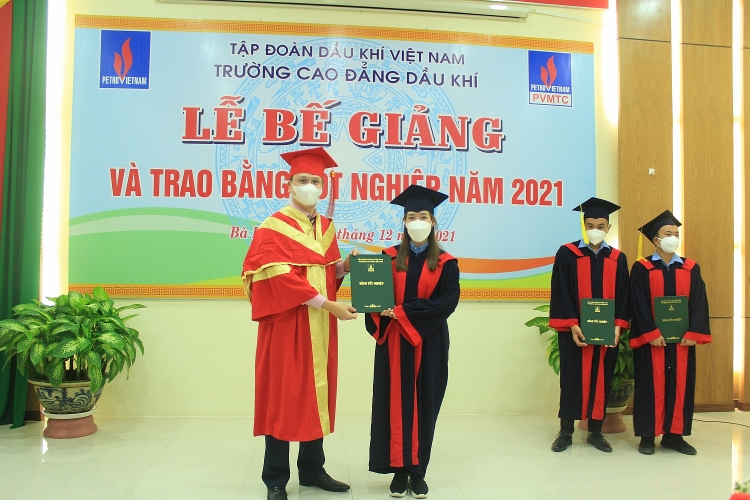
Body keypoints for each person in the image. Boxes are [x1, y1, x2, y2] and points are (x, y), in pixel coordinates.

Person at [241, 147, 358, 500]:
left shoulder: (326, 228)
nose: (309, 187)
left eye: (315, 181)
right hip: (286, 325)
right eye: (303, 180)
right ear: (288, 184)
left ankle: (312, 469)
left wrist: (345, 267)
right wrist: (328, 304)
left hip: (320, 326)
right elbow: (278, 278)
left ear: (323, 187)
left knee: (316, 391)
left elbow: (325, 274)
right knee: (282, 395)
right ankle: (275, 478)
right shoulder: (272, 228)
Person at [365, 185, 460, 499]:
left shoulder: (446, 263)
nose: (417, 222)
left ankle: (418, 472)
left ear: (432, 221)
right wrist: (377, 307)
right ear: (404, 222)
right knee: (392, 403)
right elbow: (375, 296)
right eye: (411, 217)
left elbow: (446, 303)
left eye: (423, 216)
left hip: (429, 343)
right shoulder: (389, 257)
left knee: (425, 404)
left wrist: (403, 312)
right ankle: (398, 469)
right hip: (393, 342)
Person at [549, 197, 630, 453]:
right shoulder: (567, 253)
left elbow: (624, 295)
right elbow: (560, 291)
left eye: (601, 225)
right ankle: (566, 431)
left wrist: (617, 327)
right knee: (571, 379)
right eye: (590, 225)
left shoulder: (617, 258)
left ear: (608, 227)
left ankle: (595, 431)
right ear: (584, 226)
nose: (595, 229)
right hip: (575, 332)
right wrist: (572, 324)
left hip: (606, 333)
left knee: (601, 379)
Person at [630, 210, 711, 455]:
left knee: (680, 384)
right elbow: (638, 303)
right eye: (668, 234)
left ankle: (674, 436)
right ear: (656, 239)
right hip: (652, 341)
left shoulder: (690, 267)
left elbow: (699, 302)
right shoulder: (642, 268)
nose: (673, 238)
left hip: (682, 341)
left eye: (676, 234)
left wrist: (694, 331)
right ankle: (647, 436)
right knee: (649, 385)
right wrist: (650, 332)